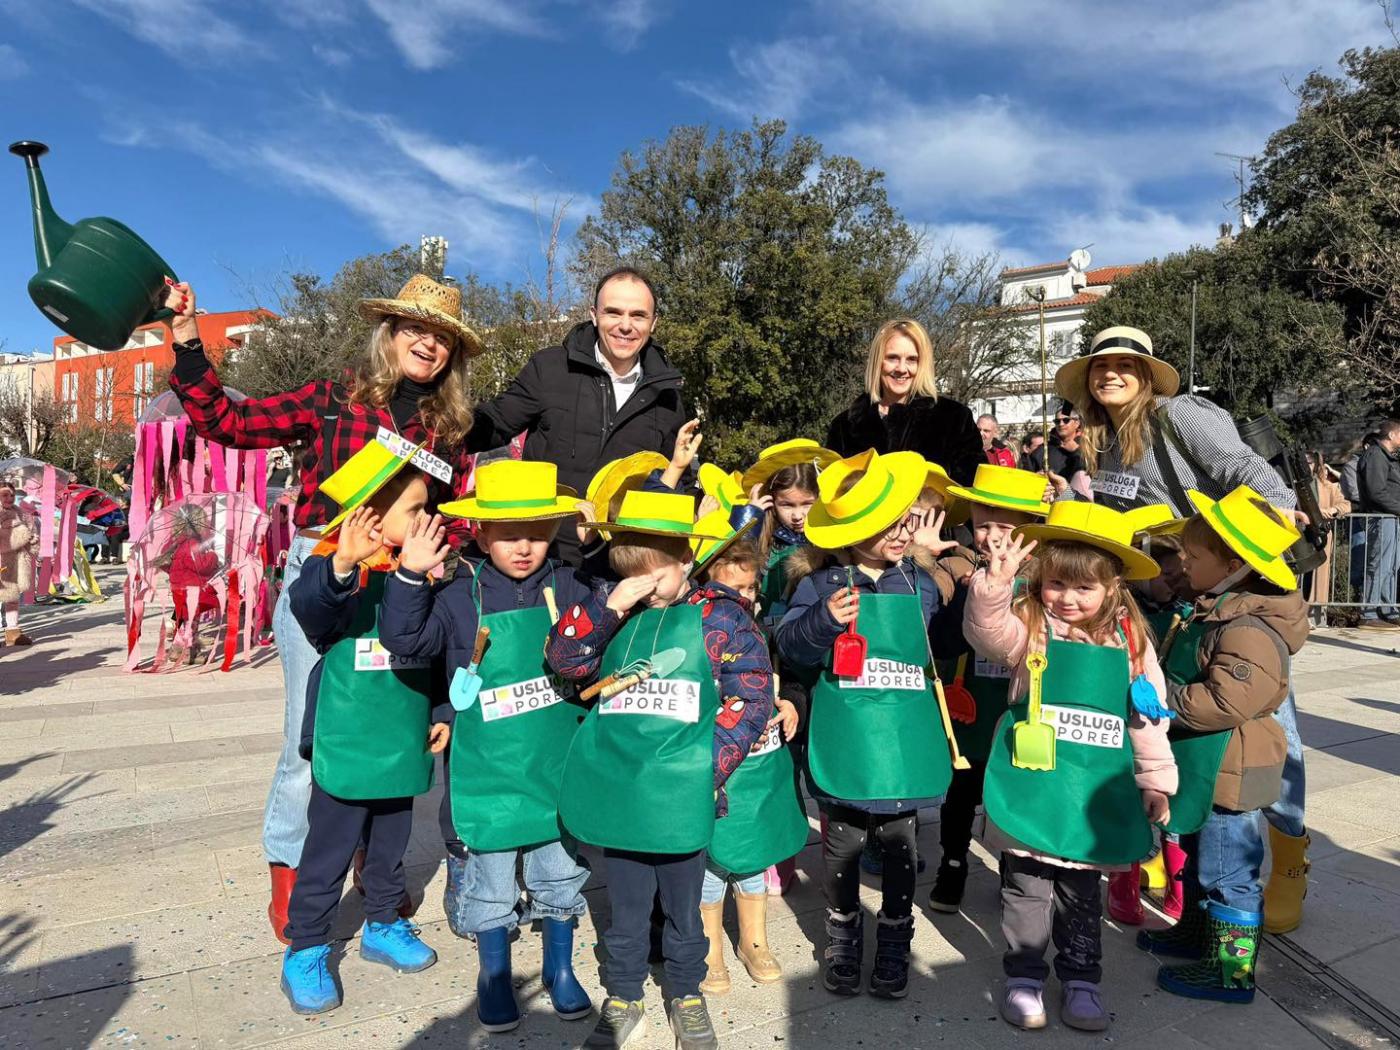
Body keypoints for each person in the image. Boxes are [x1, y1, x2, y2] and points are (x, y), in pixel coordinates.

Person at [165, 274, 483, 941]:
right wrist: (189, 339)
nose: (428, 344)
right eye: (416, 329)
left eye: (442, 338)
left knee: (391, 729)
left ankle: (374, 866)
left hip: (403, 583)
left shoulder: (446, 429)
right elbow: (226, 422)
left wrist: (443, 562)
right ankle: (290, 871)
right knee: (309, 740)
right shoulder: (334, 398)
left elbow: (450, 514)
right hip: (327, 569)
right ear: (390, 333)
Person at [1056, 325, 1312, 932]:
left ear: (1147, 374)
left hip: (1237, 580)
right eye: (1100, 366)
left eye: (1125, 365)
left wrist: (1266, 531)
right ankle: (1195, 855)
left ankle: (1288, 858)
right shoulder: (1105, 442)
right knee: (1201, 729)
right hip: (1181, 590)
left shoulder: (1178, 414)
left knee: (1268, 721)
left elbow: (1244, 468)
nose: (1111, 374)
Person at [546, 490, 773, 1050]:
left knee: (684, 909)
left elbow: (750, 695)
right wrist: (610, 605)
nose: (645, 587)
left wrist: (705, 770)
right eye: (632, 576)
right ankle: (624, 997)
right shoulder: (614, 610)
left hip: (683, 795)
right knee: (625, 912)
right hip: (624, 790)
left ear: (687, 559)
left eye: (656, 576)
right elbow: (565, 660)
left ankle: (687, 994)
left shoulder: (721, 618)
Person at [377, 460, 596, 1033]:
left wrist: (598, 545)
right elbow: (405, 640)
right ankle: (494, 975)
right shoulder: (456, 593)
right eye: (509, 534)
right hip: (488, 767)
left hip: (553, 762)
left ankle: (560, 968)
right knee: (492, 879)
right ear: (481, 532)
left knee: (559, 871)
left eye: (538, 533)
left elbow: (611, 618)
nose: (524, 547)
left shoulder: (570, 585)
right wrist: (408, 576)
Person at [966, 502, 1177, 1033]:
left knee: (1081, 895)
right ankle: (1023, 978)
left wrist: (1154, 780)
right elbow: (989, 634)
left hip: (1089, 795)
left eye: (1084, 588)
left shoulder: (1132, 642)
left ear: (1114, 587)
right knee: (1026, 888)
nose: (1068, 598)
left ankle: (1082, 980)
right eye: (1057, 584)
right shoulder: (1031, 625)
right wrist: (995, 587)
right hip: (1034, 786)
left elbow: (1146, 718)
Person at [776, 449, 959, 999]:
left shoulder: (919, 583)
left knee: (902, 841)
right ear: (852, 530)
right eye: (886, 526)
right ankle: (844, 931)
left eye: (904, 521)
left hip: (901, 738)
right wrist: (823, 620)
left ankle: (897, 934)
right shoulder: (819, 583)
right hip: (846, 738)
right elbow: (790, 647)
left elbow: (946, 645)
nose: (901, 534)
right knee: (843, 842)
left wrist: (974, 581)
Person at [277, 449, 451, 1015]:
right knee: (329, 850)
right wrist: (343, 565)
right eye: (416, 509)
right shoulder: (330, 565)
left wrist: (441, 710)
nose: (428, 518)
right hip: (347, 741)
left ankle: (382, 922)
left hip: (401, 736)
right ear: (372, 514)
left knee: (390, 843)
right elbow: (312, 613)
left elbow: (436, 649)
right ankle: (307, 946)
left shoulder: (423, 572)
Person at [1142, 486, 1306, 1004]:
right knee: (1196, 853)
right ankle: (1197, 934)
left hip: (1231, 770)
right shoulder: (1215, 608)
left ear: (1234, 566)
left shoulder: (1249, 628)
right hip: (1206, 764)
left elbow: (1226, 700)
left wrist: (1164, 698)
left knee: (1229, 870)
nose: (1184, 564)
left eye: (1193, 557)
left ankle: (1232, 972)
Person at [468, 267, 689, 566]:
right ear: (594, 315)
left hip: (620, 568)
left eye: (638, 315)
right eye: (613, 312)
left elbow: (675, 483)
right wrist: (443, 423)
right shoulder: (550, 368)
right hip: (545, 559)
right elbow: (493, 424)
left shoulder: (667, 394)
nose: (625, 326)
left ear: (653, 322)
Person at [924, 464, 1051, 913]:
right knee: (961, 790)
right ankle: (953, 862)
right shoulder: (957, 566)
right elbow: (940, 637)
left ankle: (1014, 867)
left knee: (1014, 790)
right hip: (969, 702)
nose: (991, 538)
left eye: (1004, 528)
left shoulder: (1047, 578)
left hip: (1020, 703)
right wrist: (964, 588)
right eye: (982, 526)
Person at [690, 531, 808, 997]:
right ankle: (710, 945)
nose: (741, 598)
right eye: (730, 588)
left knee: (756, 851)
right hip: (720, 762)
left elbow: (787, 675)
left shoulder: (762, 630)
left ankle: (754, 940)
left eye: (749, 588)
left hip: (760, 764)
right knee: (713, 860)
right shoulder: (696, 629)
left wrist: (790, 701)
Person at [825, 319, 983, 485]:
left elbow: (974, 488)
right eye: (892, 358)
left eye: (912, 359)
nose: (901, 369)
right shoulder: (844, 426)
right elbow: (832, 490)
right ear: (878, 362)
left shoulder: (954, 418)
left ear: (922, 364)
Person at [1355, 419, 1400, 628]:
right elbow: (1376, 492)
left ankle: (1387, 609)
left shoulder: (1385, 457)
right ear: (1391, 435)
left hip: (1390, 518)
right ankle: (1369, 612)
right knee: (1379, 565)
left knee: (1391, 566)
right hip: (1381, 518)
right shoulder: (1375, 456)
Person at [1303, 452, 1351, 607]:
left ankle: (1316, 609)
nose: (1307, 466)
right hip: (1299, 533)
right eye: (1304, 462)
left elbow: (1346, 505)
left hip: (1321, 534)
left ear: (1316, 464)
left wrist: (1333, 510)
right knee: (1300, 574)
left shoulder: (1327, 485)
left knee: (1318, 574)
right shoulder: (1293, 485)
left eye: (1310, 462)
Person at [0, 481, 37, 647]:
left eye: (12, 495)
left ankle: (13, 632)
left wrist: (33, 541)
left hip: (17, 561)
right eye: (4, 495)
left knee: (13, 597)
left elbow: (31, 532)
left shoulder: (21, 513)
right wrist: (22, 536)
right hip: (1, 560)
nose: (9, 498)